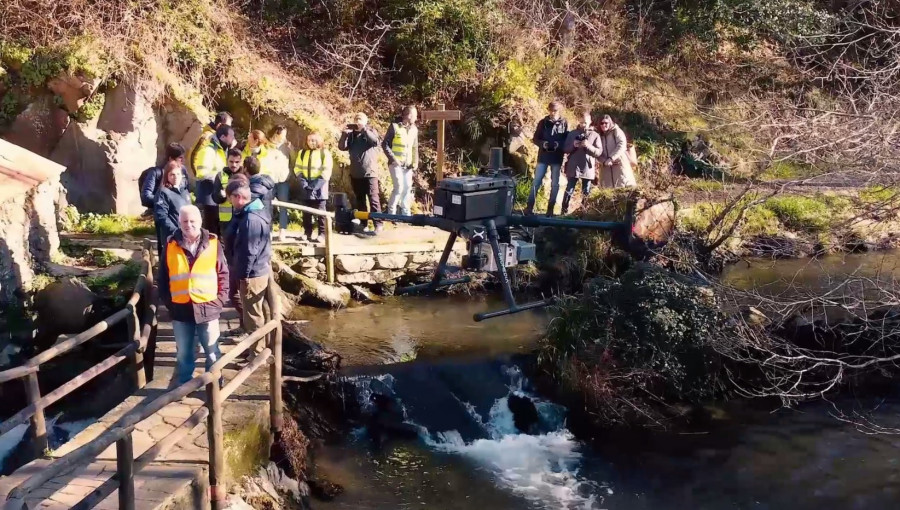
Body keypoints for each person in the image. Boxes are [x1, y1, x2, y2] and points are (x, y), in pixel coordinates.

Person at [157, 205, 229, 385]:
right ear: (179, 223)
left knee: (212, 350)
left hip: (208, 307)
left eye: (192, 221)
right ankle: (183, 386)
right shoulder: (171, 244)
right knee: (183, 352)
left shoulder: (213, 243)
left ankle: (214, 385)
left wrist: (220, 300)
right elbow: (163, 276)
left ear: (200, 221)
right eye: (184, 221)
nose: (188, 225)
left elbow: (223, 273)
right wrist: (169, 303)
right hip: (180, 308)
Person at [226, 179, 272, 355]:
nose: (230, 202)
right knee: (252, 312)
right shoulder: (250, 212)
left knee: (253, 315)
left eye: (230, 198)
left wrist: (243, 276)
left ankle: (257, 352)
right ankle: (254, 346)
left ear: (238, 197)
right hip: (253, 270)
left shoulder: (250, 219)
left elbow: (249, 251)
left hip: (253, 273)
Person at [338, 112, 383, 234]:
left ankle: (378, 224)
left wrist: (364, 129)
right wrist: (344, 134)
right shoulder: (351, 135)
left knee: (374, 200)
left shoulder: (370, 131)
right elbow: (342, 147)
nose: (358, 122)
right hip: (356, 174)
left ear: (365, 121)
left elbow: (375, 142)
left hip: (370, 173)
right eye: (356, 119)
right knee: (360, 200)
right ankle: (364, 223)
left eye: (361, 120)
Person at [527, 101, 569, 216]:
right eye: (550, 110)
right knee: (536, 182)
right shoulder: (543, 122)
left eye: (555, 110)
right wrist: (543, 144)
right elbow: (535, 138)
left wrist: (557, 144)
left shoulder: (564, 123)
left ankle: (550, 209)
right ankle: (529, 208)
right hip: (543, 156)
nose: (552, 112)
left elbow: (566, 140)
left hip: (557, 157)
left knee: (555, 184)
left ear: (559, 111)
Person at [194, 125, 235, 235]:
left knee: (218, 231)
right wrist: (219, 178)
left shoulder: (222, 151)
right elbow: (202, 174)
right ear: (222, 137)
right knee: (210, 231)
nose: (233, 139)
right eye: (231, 136)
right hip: (208, 196)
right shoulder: (208, 151)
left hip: (217, 196)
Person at [561, 108, 603, 214]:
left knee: (586, 191)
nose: (583, 124)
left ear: (590, 122)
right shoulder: (572, 133)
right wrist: (574, 145)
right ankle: (563, 211)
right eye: (581, 122)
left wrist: (588, 146)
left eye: (585, 122)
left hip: (588, 166)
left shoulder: (595, 135)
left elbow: (598, 152)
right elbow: (565, 149)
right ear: (578, 121)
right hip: (573, 165)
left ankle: (584, 212)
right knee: (569, 189)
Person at [294, 132, 334, 242]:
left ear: (319, 141)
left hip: (320, 186)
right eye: (309, 140)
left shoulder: (324, 153)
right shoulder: (302, 153)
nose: (311, 142)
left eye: (314, 140)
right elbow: (297, 169)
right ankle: (307, 232)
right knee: (306, 211)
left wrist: (315, 185)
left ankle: (322, 234)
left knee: (321, 211)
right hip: (306, 184)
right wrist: (304, 183)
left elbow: (326, 171)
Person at [383, 105, 419, 216]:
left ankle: (405, 213)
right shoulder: (394, 127)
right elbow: (385, 144)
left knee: (407, 187)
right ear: (409, 115)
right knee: (398, 187)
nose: (416, 118)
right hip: (395, 164)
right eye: (415, 116)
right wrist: (393, 159)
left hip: (408, 165)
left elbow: (414, 147)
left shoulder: (414, 129)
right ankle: (391, 213)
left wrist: (415, 162)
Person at [153, 161, 192, 263]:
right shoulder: (163, 192)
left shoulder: (185, 191)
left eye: (178, 174)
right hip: (172, 236)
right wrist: (175, 231)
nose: (176, 177)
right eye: (172, 174)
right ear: (167, 176)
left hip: (188, 235)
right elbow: (161, 216)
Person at [139, 143, 191, 210]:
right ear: (170, 158)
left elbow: (186, 191)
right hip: (159, 211)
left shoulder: (183, 170)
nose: (183, 160)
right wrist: (166, 201)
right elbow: (146, 197)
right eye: (180, 158)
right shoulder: (155, 173)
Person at [596, 115, 637, 188]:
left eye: (606, 123)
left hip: (619, 163)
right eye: (601, 123)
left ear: (610, 123)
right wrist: (604, 161)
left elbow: (622, 145)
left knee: (624, 187)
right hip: (606, 168)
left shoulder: (616, 131)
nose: (604, 125)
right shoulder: (598, 135)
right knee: (607, 190)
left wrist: (611, 158)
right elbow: (597, 151)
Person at [270, 126, 295, 240]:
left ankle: (282, 229)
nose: (284, 137)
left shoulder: (287, 146)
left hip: (283, 179)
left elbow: (293, 160)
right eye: (282, 134)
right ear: (276, 133)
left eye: (285, 134)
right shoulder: (268, 145)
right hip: (270, 179)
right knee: (268, 205)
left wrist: (291, 150)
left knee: (283, 205)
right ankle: (268, 230)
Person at [190, 111, 233, 178]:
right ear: (219, 125)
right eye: (227, 126)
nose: (229, 130)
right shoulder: (208, 137)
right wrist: (200, 177)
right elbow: (194, 157)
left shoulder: (220, 139)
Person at [244, 155, 276, 220]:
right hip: (265, 221)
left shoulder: (256, 186)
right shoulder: (265, 182)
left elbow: (244, 202)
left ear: (245, 169)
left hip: (256, 222)